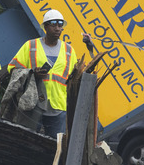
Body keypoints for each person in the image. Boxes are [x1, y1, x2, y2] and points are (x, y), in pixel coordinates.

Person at [7, 9, 90, 138]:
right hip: (33, 103)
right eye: (53, 24)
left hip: (58, 106)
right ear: (45, 26)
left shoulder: (69, 50)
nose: (57, 28)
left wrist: (90, 48)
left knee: (56, 147)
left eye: (60, 25)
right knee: (28, 141)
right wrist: (32, 73)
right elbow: (12, 69)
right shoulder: (31, 46)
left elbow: (77, 77)